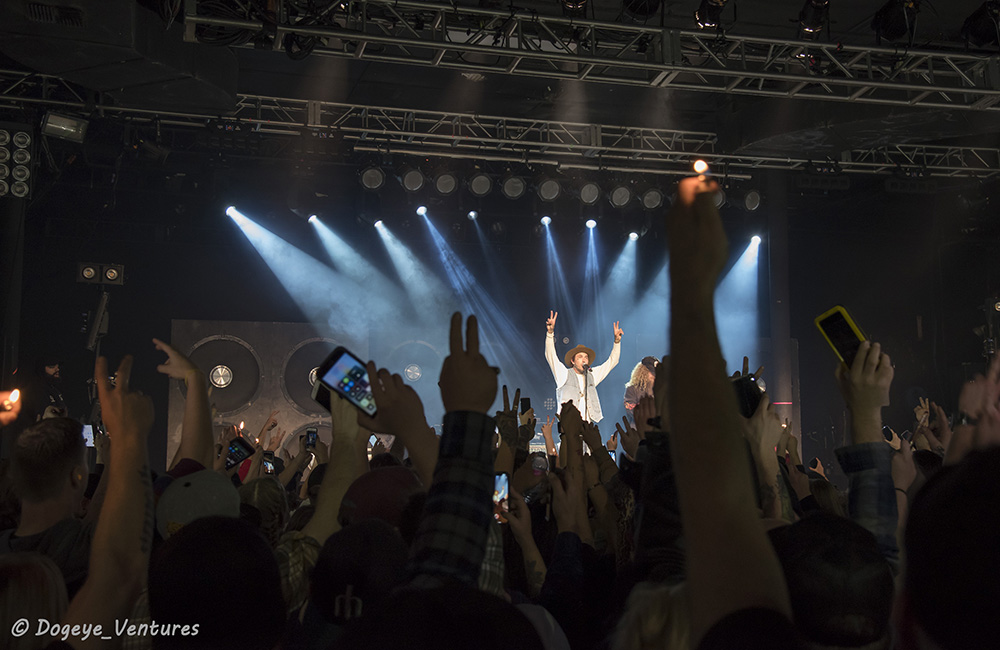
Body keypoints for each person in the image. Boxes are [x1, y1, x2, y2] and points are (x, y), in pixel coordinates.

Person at [544, 310, 622, 423]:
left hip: (587, 425)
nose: (584, 359)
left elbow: (612, 361)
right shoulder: (564, 374)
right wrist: (550, 333)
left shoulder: (592, 375)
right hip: (569, 425)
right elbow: (550, 355)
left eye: (586, 357)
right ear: (573, 361)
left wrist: (617, 342)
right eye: (580, 356)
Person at [623, 356, 662, 423]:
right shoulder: (632, 389)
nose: (655, 375)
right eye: (652, 372)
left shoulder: (661, 388)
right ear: (644, 372)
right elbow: (630, 410)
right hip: (639, 429)